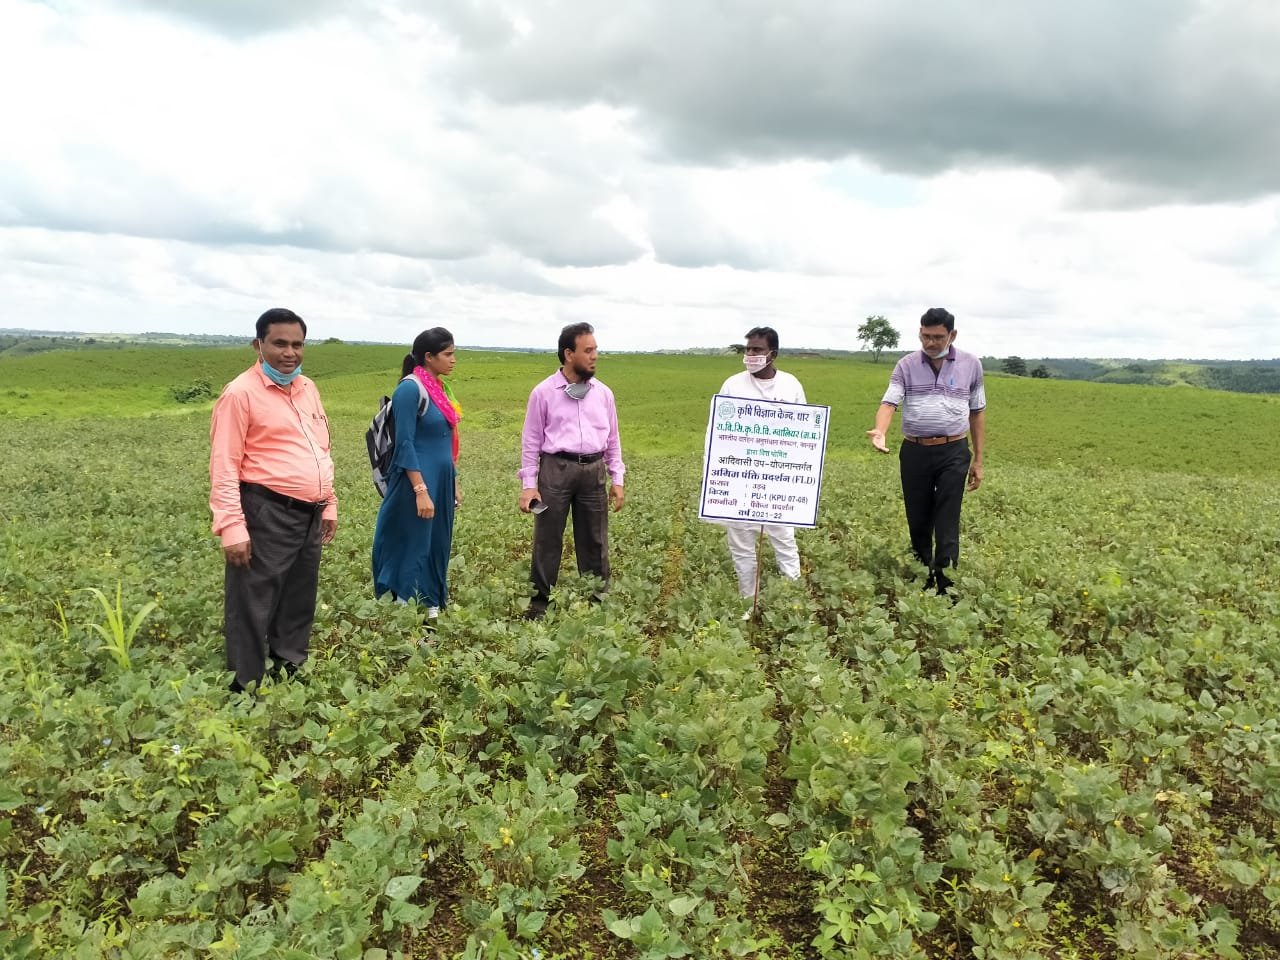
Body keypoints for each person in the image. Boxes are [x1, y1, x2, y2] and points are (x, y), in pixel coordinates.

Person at [209, 308, 337, 692]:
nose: (290, 352)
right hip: (265, 510)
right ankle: (245, 686)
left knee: (299, 596)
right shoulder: (240, 394)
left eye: (297, 344)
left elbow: (321, 447)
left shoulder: (307, 388)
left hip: (309, 513)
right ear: (258, 345)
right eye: (279, 343)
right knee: (252, 600)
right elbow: (224, 463)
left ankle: (289, 668)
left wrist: (328, 501)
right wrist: (232, 526)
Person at [867, 307, 986, 595]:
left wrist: (979, 459)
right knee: (918, 516)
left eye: (937, 337)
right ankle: (922, 575)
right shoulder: (906, 365)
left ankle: (946, 584)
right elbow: (890, 403)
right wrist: (880, 431)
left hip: (954, 450)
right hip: (915, 451)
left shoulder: (971, 365)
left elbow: (977, 412)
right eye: (925, 336)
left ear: (952, 335)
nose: (930, 343)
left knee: (947, 517)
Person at [517, 322, 625, 620]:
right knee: (547, 537)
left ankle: (597, 601)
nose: (594, 356)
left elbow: (613, 437)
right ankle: (540, 605)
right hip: (555, 470)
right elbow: (531, 441)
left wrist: (617, 477)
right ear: (568, 354)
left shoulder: (603, 394)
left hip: (593, 470)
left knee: (595, 538)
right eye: (587, 350)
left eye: (595, 350)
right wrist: (529, 484)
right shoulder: (543, 393)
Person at [371, 327, 461, 619]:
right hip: (418, 482)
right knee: (411, 542)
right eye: (448, 354)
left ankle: (431, 604)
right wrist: (420, 491)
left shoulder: (438, 387)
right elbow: (405, 444)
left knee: (437, 542)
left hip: (441, 480)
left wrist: (454, 481)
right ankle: (402, 606)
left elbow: (444, 442)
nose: (453, 360)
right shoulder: (410, 389)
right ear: (428, 356)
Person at [714, 327, 806, 606]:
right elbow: (717, 432)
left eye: (757, 350)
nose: (750, 355)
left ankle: (792, 601)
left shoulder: (790, 386)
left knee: (784, 540)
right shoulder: (733, 385)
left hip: (776, 481)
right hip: (739, 478)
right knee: (741, 546)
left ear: (772, 354)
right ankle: (748, 602)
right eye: (748, 350)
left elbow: (804, 433)